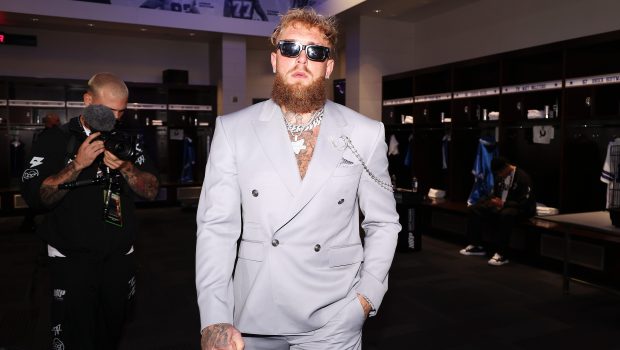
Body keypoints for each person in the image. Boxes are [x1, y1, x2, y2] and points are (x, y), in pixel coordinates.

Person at [195, 8, 400, 350]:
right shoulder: (233, 130)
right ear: (275, 59)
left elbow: (383, 222)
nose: (301, 60)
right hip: (255, 312)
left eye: (315, 52)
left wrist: (366, 298)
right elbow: (217, 227)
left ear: (328, 66)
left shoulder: (365, 133)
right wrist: (215, 317)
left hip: (335, 314)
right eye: (290, 48)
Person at [20, 72, 160, 349]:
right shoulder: (55, 140)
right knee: (73, 336)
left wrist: (125, 167)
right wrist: (77, 165)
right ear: (87, 101)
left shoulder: (126, 140)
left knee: (111, 332)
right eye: (108, 110)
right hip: (72, 259)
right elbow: (38, 197)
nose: (116, 118)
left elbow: (152, 189)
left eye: (121, 111)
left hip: (119, 259)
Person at [459, 156, 536, 266]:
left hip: (519, 209)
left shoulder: (523, 178)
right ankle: (476, 245)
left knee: (506, 214)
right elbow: (495, 193)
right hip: (502, 205)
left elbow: (525, 203)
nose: (499, 175)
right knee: (475, 208)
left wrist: (504, 203)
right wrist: (490, 201)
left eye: (500, 172)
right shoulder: (500, 176)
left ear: (506, 168)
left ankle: (501, 254)